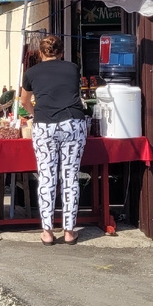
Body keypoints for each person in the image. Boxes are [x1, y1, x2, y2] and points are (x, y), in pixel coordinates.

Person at [20, 35, 88, 246]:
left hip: (44, 125)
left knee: (47, 177)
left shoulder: (31, 72)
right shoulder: (72, 68)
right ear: (61, 52)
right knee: (70, 176)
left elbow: (24, 100)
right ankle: (69, 231)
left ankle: (47, 232)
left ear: (40, 53)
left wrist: (34, 113)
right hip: (72, 124)